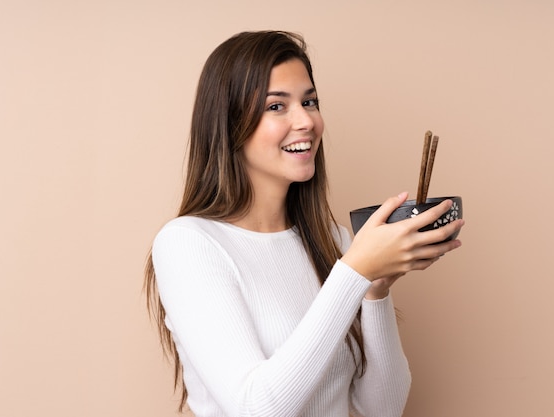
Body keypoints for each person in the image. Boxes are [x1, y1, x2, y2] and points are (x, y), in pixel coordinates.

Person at [144, 30, 464, 417]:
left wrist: (375, 289)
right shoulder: (189, 244)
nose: (307, 121)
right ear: (229, 124)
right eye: (277, 106)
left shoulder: (331, 239)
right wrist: (355, 270)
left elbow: (382, 410)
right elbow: (255, 408)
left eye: (309, 101)